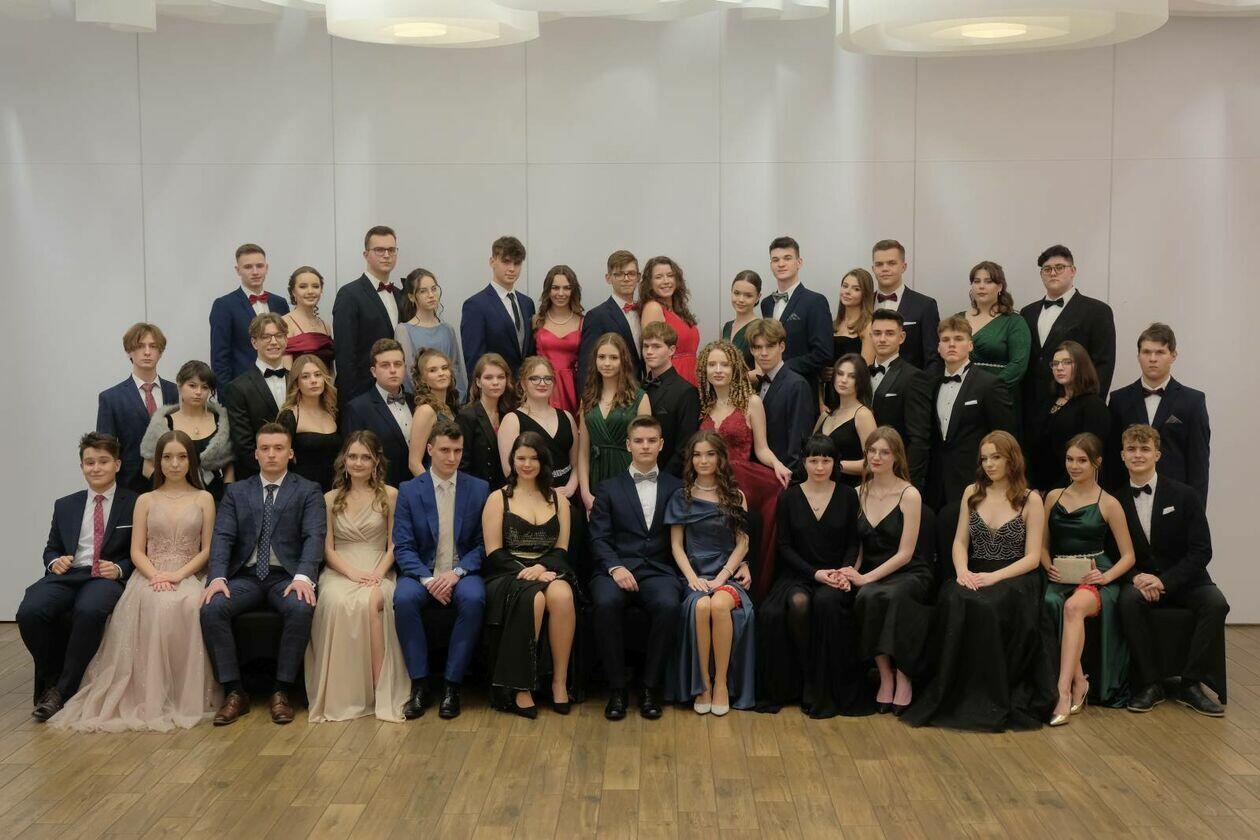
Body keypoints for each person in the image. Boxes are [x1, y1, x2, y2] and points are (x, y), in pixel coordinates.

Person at [50, 431, 219, 731]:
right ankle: (150, 694)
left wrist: (178, 575)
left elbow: (207, 550)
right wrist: (155, 575)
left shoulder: (204, 498)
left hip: (188, 573)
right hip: (149, 574)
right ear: (158, 461)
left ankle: (183, 694)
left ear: (191, 461)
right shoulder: (145, 500)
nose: (174, 463)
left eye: (182, 457)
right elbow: (136, 550)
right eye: (167, 457)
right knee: (157, 604)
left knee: (190, 604)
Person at [901, 431, 1054, 731]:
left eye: (996, 457)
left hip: (1015, 575)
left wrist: (994, 577)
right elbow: (960, 542)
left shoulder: (1030, 499)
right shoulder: (972, 492)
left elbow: (1033, 557)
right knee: (953, 597)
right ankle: (955, 693)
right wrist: (962, 571)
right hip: (975, 570)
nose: (989, 464)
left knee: (989, 606)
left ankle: (988, 697)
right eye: (984, 458)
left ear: (1012, 459)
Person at [199, 423, 326, 726]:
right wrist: (217, 577)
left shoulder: (308, 490)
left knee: (301, 607)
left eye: (278, 448)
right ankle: (234, 692)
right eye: (265, 449)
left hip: (287, 576)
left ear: (290, 453)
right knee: (212, 606)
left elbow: (314, 537)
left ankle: (281, 690)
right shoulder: (236, 492)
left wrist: (304, 577)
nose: (271, 454)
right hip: (245, 576)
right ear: (255, 454)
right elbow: (223, 537)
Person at [18, 433, 137, 722]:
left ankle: (63, 691)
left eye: (103, 462)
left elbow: (143, 550)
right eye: (89, 462)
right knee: (29, 611)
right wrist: (54, 561)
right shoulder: (65, 505)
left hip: (104, 578)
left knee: (89, 610)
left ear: (117, 464)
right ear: (82, 466)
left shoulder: (135, 503)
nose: (96, 468)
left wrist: (120, 568)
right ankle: (52, 679)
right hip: (69, 575)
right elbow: (51, 548)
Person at [1117, 425, 1227, 716]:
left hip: (1186, 579)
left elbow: (1202, 550)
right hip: (1140, 580)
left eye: (1145, 449)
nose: (1138, 455)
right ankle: (1150, 684)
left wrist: (1164, 581)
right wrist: (1135, 578)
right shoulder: (1115, 501)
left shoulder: (1186, 495)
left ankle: (1191, 684)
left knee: (1217, 604)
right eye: (1131, 449)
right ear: (1122, 455)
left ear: (1158, 454)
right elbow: (1113, 553)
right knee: (1127, 602)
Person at [756, 435, 869, 718]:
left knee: (826, 603)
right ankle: (807, 676)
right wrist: (815, 573)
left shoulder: (848, 495)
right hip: (800, 572)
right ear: (804, 463)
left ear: (835, 463)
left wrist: (844, 572)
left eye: (826, 460)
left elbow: (853, 543)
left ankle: (822, 684)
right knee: (797, 602)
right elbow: (784, 546)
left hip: (836, 573)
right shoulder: (789, 496)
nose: (819, 467)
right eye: (813, 460)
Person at [304, 432, 408, 723]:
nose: (358, 462)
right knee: (338, 602)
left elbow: (394, 545)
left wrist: (377, 573)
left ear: (376, 462)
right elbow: (327, 549)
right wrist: (351, 573)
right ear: (344, 460)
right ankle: (347, 693)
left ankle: (380, 689)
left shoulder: (391, 495)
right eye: (352, 456)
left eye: (365, 457)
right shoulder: (329, 499)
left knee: (372, 600)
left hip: (378, 565)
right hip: (340, 570)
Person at [588, 417, 684, 720]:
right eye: (639, 441)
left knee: (669, 605)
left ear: (661, 444)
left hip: (658, 569)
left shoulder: (677, 487)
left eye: (651, 440)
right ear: (628, 445)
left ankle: (649, 687)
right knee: (605, 602)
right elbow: (598, 537)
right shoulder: (607, 488)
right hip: (615, 567)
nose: (645, 446)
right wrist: (615, 567)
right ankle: (616, 689)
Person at [393, 421, 489, 720]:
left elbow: (483, 544)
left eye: (457, 451)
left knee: (474, 599)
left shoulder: (479, 488)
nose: (452, 457)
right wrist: (428, 579)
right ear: (430, 449)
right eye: (445, 450)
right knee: (403, 599)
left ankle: (452, 685)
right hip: (422, 572)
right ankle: (420, 685)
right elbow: (403, 546)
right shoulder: (409, 490)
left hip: (462, 572)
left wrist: (457, 573)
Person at [481, 432, 577, 718]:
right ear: (512, 460)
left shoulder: (558, 500)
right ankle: (521, 687)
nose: (526, 464)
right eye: (521, 458)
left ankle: (559, 682)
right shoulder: (498, 498)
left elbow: (561, 550)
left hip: (548, 568)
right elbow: (494, 553)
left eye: (533, 458)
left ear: (542, 461)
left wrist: (542, 569)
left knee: (563, 595)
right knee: (534, 599)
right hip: (508, 572)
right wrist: (528, 572)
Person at [1042, 432, 1135, 723]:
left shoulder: (1109, 503)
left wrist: (1105, 578)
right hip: (1060, 573)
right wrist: (1048, 566)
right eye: (1070, 459)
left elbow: (1128, 556)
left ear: (1097, 462)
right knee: (1050, 602)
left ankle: (1064, 692)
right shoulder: (1053, 497)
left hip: (1095, 576)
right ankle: (1080, 680)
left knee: (1072, 607)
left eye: (1082, 460)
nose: (1074, 466)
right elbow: (1042, 546)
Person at [665, 431, 755, 714]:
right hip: (694, 576)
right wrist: (693, 578)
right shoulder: (681, 496)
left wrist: (722, 576)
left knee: (718, 604)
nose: (703, 461)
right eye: (697, 455)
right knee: (702, 605)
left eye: (710, 454)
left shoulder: (735, 495)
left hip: (726, 575)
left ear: (720, 458)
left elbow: (743, 542)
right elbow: (676, 546)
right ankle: (703, 684)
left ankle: (721, 684)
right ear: (690, 460)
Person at [848, 427, 934, 714]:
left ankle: (904, 674)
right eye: (872, 451)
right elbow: (859, 546)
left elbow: (906, 553)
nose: (876, 457)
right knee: (866, 597)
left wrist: (865, 578)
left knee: (893, 597)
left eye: (884, 452)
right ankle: (885, 675)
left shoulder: (909, 494)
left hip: (909, 571)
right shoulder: (858, 492)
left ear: (896, 456)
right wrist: (851, 573)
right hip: (872, 569)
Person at [697, 340, 792, 597]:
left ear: (735, 368)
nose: (718, 370)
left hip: (744, 481)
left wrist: (777, 464)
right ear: (704, 370)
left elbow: (762, 448)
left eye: (725, 364)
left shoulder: (752, 402)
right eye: (712, 364)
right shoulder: (703, 405)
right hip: (709, 482)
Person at [499, 357, 586, 576]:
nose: (542, 383)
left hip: (568, 494)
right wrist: (547, 493)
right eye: (535, 378)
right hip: (532, 499)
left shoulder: (566, 417)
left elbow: (576, 461)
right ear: (523, 383)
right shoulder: (512, 420)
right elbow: (510, 470)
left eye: (548, 378)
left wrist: (570, 488)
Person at [1107, 323, 1210, 502]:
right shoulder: (1119, 400)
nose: (1152, 359)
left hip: (1176, 500)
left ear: (1173, 355)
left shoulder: (1193, 401)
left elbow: (1198, 463)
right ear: (1138, 356)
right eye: (1146, 352)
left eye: (1160, 352)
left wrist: (1196, 511)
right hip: (1127, 500)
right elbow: (1112, 458)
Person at [1020, 244, 1116, 424]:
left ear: (1073, 271)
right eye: (1047, 269)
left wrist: (1090, 407)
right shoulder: (1027, 312)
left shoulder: (1097, 311)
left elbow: (1104, 364)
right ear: (1041, 274)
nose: (1053, 273)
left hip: (1075, 408)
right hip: (1031, 410)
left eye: (1059, 267)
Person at [927, 316, 1016, 510]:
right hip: (934, 484)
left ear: (970, 345)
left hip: (976, 480)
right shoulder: (930, 383)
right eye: (945, 340)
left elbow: (1004, 437)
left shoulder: (990, 384)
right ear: (938, 347)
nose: (951, 344)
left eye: (958, 339)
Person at [97, 322, 179, 494]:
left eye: (153, 346)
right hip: (129, 487)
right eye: (140, 346)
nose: (147, 352)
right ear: (129, 351)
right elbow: (106, 450)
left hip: (174, 482)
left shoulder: (176, 392)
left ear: (161, 352)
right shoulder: (111, 398)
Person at [333, 225, 407, 405]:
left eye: (391, 250)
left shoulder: (401, 295)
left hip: (397, 394)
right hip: (362, 394)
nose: (386, 255)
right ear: (366, 255)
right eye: (379, 250)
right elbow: (345, 353)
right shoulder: (349, 294)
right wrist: (353, 401)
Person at [142, 360, 234, 503]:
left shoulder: (222, 422)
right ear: (179, 385)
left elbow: (229, 464)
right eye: (192, 385)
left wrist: (227, 495)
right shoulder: (163, 423)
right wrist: (167, 490)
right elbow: (147, 466)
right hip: (174, 499)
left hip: (216, 497)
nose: (198, 392)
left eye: (205, 387)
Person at [578, 333, 650, 511]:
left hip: (628, 476)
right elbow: (583, 451)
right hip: (596, 478)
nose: (607, 363)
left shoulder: (640, 398)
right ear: (595, 360)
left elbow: (647, 449)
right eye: (602, 357)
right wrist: (585, 493)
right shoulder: (587, 399)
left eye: (613, 357)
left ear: (623, 360)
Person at [1027, 341, 1109, 493]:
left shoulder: (1093, 406)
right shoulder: (1047, 401)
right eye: (1055, 363)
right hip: (1038, 489)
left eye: (1067, 362)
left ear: (1081, 366)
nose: (1059, 368)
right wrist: (1033, 487)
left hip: (1072, 490)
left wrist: (1055, 492)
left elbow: (1089, 456)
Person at [960, 261, 1030, 429]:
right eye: (976, 281)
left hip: (1000, 397)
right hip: (961, 396)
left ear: (1000, 287)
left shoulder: (1014, 321)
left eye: (988, 281)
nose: (981, 286)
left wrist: (988, 390)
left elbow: (1018, 365)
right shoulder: (958, 319)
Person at [868, 310, 933, 491]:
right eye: (877, 333)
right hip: (862, 473)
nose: (882, 339)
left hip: (896, 474)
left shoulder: (914, 377)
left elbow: (919, 438)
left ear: (901, 337)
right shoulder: (861, 374)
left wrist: (906, 481)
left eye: (889, 333)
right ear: (870, 336)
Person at [209, 243, 290, 385]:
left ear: (266, 268)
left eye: (259, 266)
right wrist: (227, 393)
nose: (255, 272)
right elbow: (219, 358)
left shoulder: (280, 303)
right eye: (248, 267)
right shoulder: (224, 305)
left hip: (280, 382)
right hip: (243, 387)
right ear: (238, 270)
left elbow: (286, 346)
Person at [747, 318, 817, 476]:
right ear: (751, 350)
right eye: (758, 347)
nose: (763, 353)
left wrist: (790, 480)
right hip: (760, 474)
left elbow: (799, 444)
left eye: (770, 346)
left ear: (782, 347)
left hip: (784, 477)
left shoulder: (797, 385)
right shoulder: (755, 385)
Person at [224, 313, 288, 480]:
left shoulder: (297, 380)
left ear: (286, 340)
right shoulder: (237, 388)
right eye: (266, 337)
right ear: (254, 342)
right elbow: (243, 444)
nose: (273, 342)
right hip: (256, 477)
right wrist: (272, 471)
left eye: (279, 335)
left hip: (298, 475)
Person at [761, 236, 832, 385]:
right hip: (770, 386)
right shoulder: (766, 303)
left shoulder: (815, 301)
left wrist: (782, 368)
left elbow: (823, 353)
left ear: (799, 262)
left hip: (801, 386)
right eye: (775, 260)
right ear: (771, 265)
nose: (781, 264)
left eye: (787, 258)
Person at [344, 339, 414, 488]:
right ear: (373, 371)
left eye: (398, 364)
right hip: (381, 489)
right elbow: (355, 458)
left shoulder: (416, 402)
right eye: (385, 365)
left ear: (405, 367)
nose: (393, 370)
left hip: (418, 487)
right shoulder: (358, 408)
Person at [461, 235, 535, 377]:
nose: (512, 268)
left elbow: (530, 352)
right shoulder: (475, 305)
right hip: (494, 386)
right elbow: (474, 359)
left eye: (517, 263)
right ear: (492, 262)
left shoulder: (527, 304)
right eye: (506, 262)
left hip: (525, 386)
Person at [394, 267, 467, 401]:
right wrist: (428, 402)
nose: (431, 295)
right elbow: (408, 375)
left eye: (433, 289)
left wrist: (456, 400)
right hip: (420, 402)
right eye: (423, 291)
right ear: (411, 297)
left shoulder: (447, 330)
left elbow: (456, 370)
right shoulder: (404, 330)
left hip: (450, 402)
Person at [641, 321, 702, 477]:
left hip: (669, 478)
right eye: (646, 346)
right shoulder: (638, 388)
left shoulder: (687, 392)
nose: (649, 352)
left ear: (671, 350)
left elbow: (685, 447)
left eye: (656, 346)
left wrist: (662, 479)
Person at [871, 239, 940, 373]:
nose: (885, 269)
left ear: (903, 266)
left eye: (891, 263)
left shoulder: (925, 305)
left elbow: (933, 359)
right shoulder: (863, 303)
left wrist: (925, 385)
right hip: (866, 382)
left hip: (910, 384)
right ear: (873, 269)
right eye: (879, 264)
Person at [578, 250, 642, 390]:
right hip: (614, 393)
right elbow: (587, 366)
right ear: (608, 278)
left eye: (631, 273)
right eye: (619, 274)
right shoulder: (596, 316)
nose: (626, 279)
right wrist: (587, 400)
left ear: (638, 277)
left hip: (645, 392)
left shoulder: (645, 311)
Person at [276, 354, 341, 492]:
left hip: (335, 488)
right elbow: (279, 460)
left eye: (318, 375)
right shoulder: (289, 416)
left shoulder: (333, 412)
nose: (313, 381)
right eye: (305, 377)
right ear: (297, 383)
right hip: (301, 491)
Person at [638, 256, 701, 387]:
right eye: (659, 277)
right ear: (650, 283)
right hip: (671, 383)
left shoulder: (679, 310)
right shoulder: (653, 308)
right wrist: (655, 388)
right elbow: (651, 355)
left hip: (692, 378)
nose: (666, 281)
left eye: (670, 275)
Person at [816, 354, 877, 487]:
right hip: (819, 488)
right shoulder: (825, 415)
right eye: (840, 374)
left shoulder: (863, 415)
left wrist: (836, 465)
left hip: (848, 490)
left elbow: (872, 463)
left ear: (861, 381)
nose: (843, 380)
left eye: (851, 376)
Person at [456, 353, 515, 491]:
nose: (496, 382)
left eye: (501, 377)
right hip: (478, 491)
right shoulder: (467, 416)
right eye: (488, 377)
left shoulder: (510, 414)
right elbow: (461, 464)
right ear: (478, 382)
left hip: (507, 489)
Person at [532, 265, 583, 415]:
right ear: (548, 290)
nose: (561, 293)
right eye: (555, 288)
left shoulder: (583, 322)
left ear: (573, 291)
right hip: (542, 385)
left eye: (566, 288)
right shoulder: (536, 321)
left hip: (572, 388)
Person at [406, 348, 460, 476]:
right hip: (434, 480)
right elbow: (414, 463)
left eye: (444, 368)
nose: (441, 373)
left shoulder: (450, 407)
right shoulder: (426, 410)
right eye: (433, 370)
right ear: (423, 379)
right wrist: (431, 487)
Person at [827, 268, 876, 407]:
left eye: (856, 289)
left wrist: (839, 373)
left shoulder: (868, 326)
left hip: (854, 396)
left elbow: (864, 370)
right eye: (845, 286)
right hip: (830, 392)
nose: (847, 292)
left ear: (865, 294)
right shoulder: (833, 325)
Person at [280, 266, 335, 371]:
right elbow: (287, 372)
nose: (310, 291)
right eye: (303, 287)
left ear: (321, 290)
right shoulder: (284, 323)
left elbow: (330, 369)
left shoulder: (325, 326)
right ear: (293, 291)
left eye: (315, 286)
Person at [721, 270, 761, 372]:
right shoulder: (727, 326)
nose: (741, 300)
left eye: (748, 295)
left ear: (758, 298)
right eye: (737, 293)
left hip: (746, 383)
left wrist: (731, 378)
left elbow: (760, 372)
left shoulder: (760, 328)